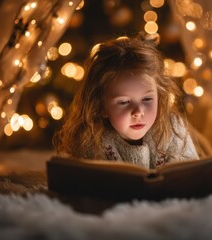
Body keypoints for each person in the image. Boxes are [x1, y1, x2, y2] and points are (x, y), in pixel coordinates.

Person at [54, 35, 201, 169]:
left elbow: (191, 172)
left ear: (160, 96)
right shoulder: (92, 139)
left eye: (147, 99)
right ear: (101, 106)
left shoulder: (173, 128)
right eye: (124, 102)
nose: (138, 112)